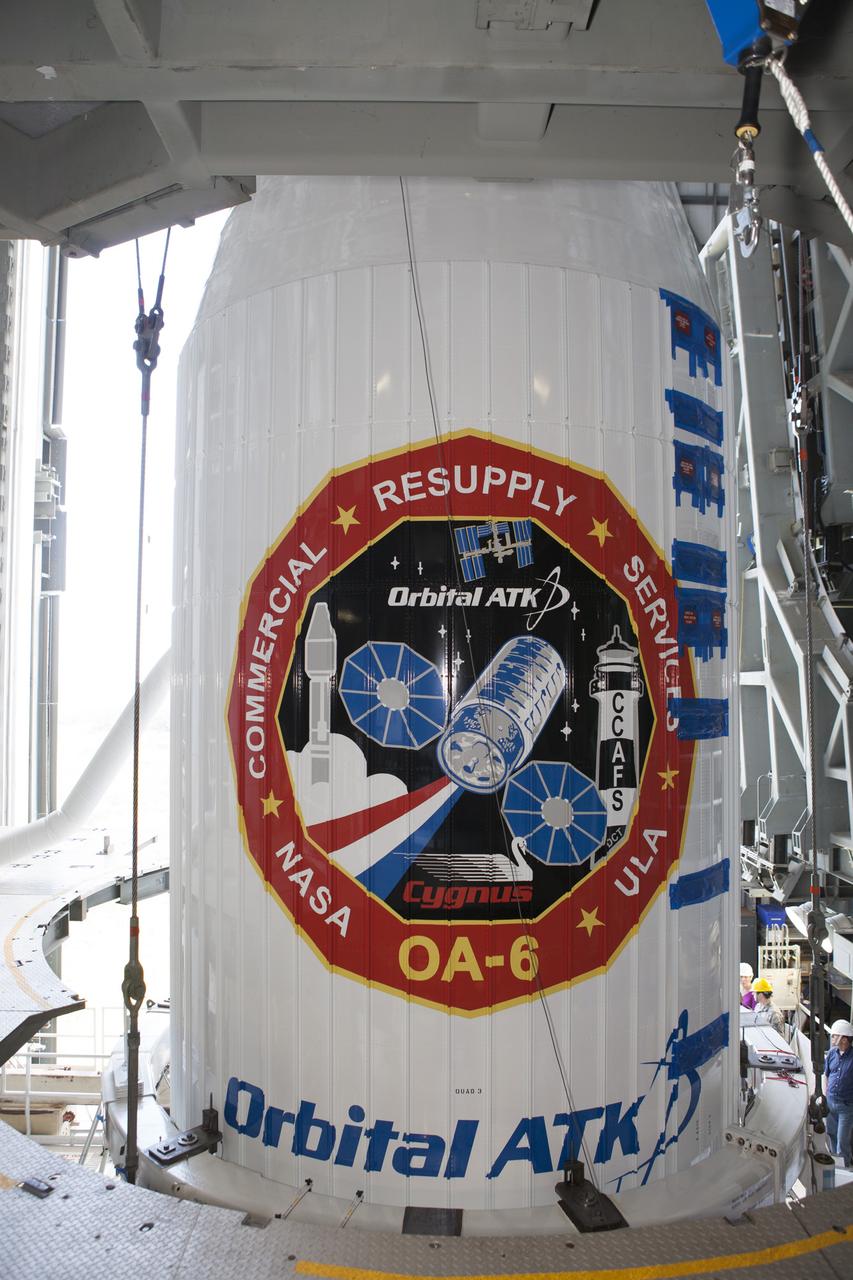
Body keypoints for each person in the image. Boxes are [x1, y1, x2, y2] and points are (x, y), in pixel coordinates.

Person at [825, 1018, 853, 1169]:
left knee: (842, 1142)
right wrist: (824, 1095)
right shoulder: (831, 1054)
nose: (832, 1038)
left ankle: (845, 1171)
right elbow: (827, 1075)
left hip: (846, 1106)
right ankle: (836, 1167)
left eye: (835, 1035)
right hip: (830, 1104)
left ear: (844, 1038)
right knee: (832, 1135)